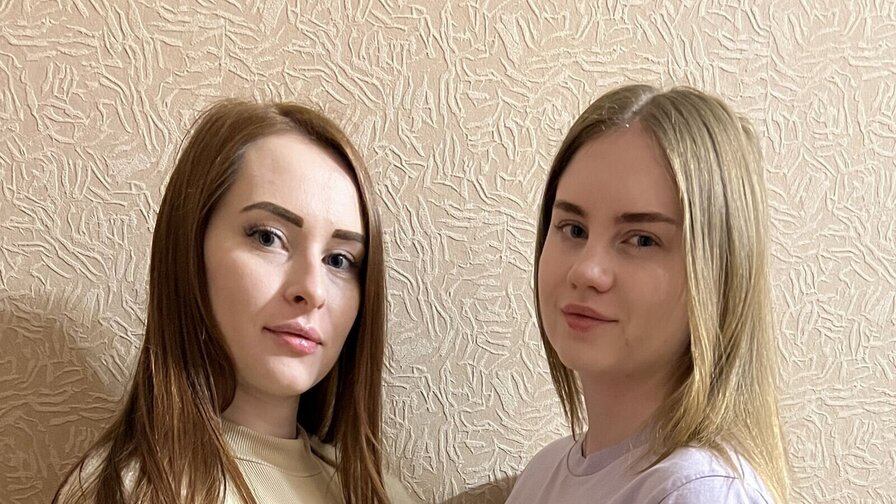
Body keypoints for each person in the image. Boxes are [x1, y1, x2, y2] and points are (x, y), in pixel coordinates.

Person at [54, 99, 410, 504]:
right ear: (190, 249)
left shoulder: (376, 490)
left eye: (339, 260)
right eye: (268, 237)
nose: (313, 290)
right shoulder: (127, 491)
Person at [506, 85, 791, 503]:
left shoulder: (701, 492)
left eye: (641, 239)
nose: (586, 271)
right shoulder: (543, 474)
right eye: (574, 229)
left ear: (716, 274)